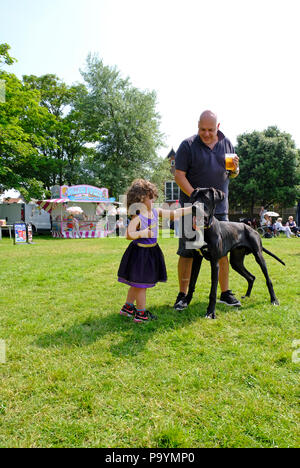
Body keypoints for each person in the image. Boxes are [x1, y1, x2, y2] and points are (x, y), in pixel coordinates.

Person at [173, 110, 240, 310]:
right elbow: (179, 175)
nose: (206, 133)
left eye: (210, 129)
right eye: (203, 129)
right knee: (188, 252)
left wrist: (235, 170)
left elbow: (232, 174)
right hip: (190, 209)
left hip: (219, 209)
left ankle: (225, 293)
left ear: (218, 127)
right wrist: (197, 199)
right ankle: (183, 295)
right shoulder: (187, 145)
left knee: (222, 252)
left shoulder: (227, 143)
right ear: (198, 126)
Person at [118, 179, 193, 323]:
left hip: (151, 252)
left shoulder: (155, 211)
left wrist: (192, 209)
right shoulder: (138, 216)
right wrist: (144, 233)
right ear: (140, 199)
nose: (153, 200)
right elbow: (129, 234)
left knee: (137, 283)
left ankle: (127, 308)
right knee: (141, 285)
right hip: (140, 254)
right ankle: (141, 314)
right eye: (150, 198)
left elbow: (175, 213)